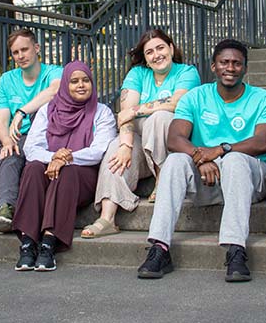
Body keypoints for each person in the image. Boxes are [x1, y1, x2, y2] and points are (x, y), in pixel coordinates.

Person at [137, 39, 266, 282]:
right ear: (213, 66)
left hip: (251, 178)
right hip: (208, 178)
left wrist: (220, 150)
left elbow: (263, 142)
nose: (230, 68)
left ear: (245, 68)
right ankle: (159, 247)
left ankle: (236, 249)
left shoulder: (263, 99)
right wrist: (200, 157)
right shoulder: (195, 97)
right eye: (224, 62)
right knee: (174, 162)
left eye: (237, 63)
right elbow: (174, 138)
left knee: (235, 159)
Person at [84, 29, 201, 238]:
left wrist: (137, 110)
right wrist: (125, 146)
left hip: (172, 145)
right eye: (149, 52)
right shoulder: (137, 74)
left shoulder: (187, 72)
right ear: (145, 59)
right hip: (140, 140)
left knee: (160, 117)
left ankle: (162, 180)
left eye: (160, 48)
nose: (156, 55)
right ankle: (107, 217)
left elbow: (176, 102)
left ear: (171, 48)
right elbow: (125, 116)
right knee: (115, 150)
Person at [13, 61, 116, 272]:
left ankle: (49, 243)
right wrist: (54, 157)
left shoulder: (102, 112)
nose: (81, 85)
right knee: (32, 168)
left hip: (81, 177)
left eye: (86, 80)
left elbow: (98, 151)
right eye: (74, 81)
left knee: (66, 172)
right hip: (49, 167)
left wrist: (66, 158)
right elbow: (31, 147)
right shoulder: (47, 110)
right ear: (64, 86)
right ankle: (28, 242)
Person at [0, 28, 63, 233]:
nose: (21, 56)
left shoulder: (54, 72)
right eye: (15, 52)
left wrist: (22, 111)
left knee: (32, 162)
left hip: (48, 135)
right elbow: (1, 120)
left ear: (37, 48)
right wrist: (6, 141)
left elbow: (54, 91)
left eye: (25, 49)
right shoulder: (7, 79)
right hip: (18, 138)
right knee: (10, 155)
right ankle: (5, 210)